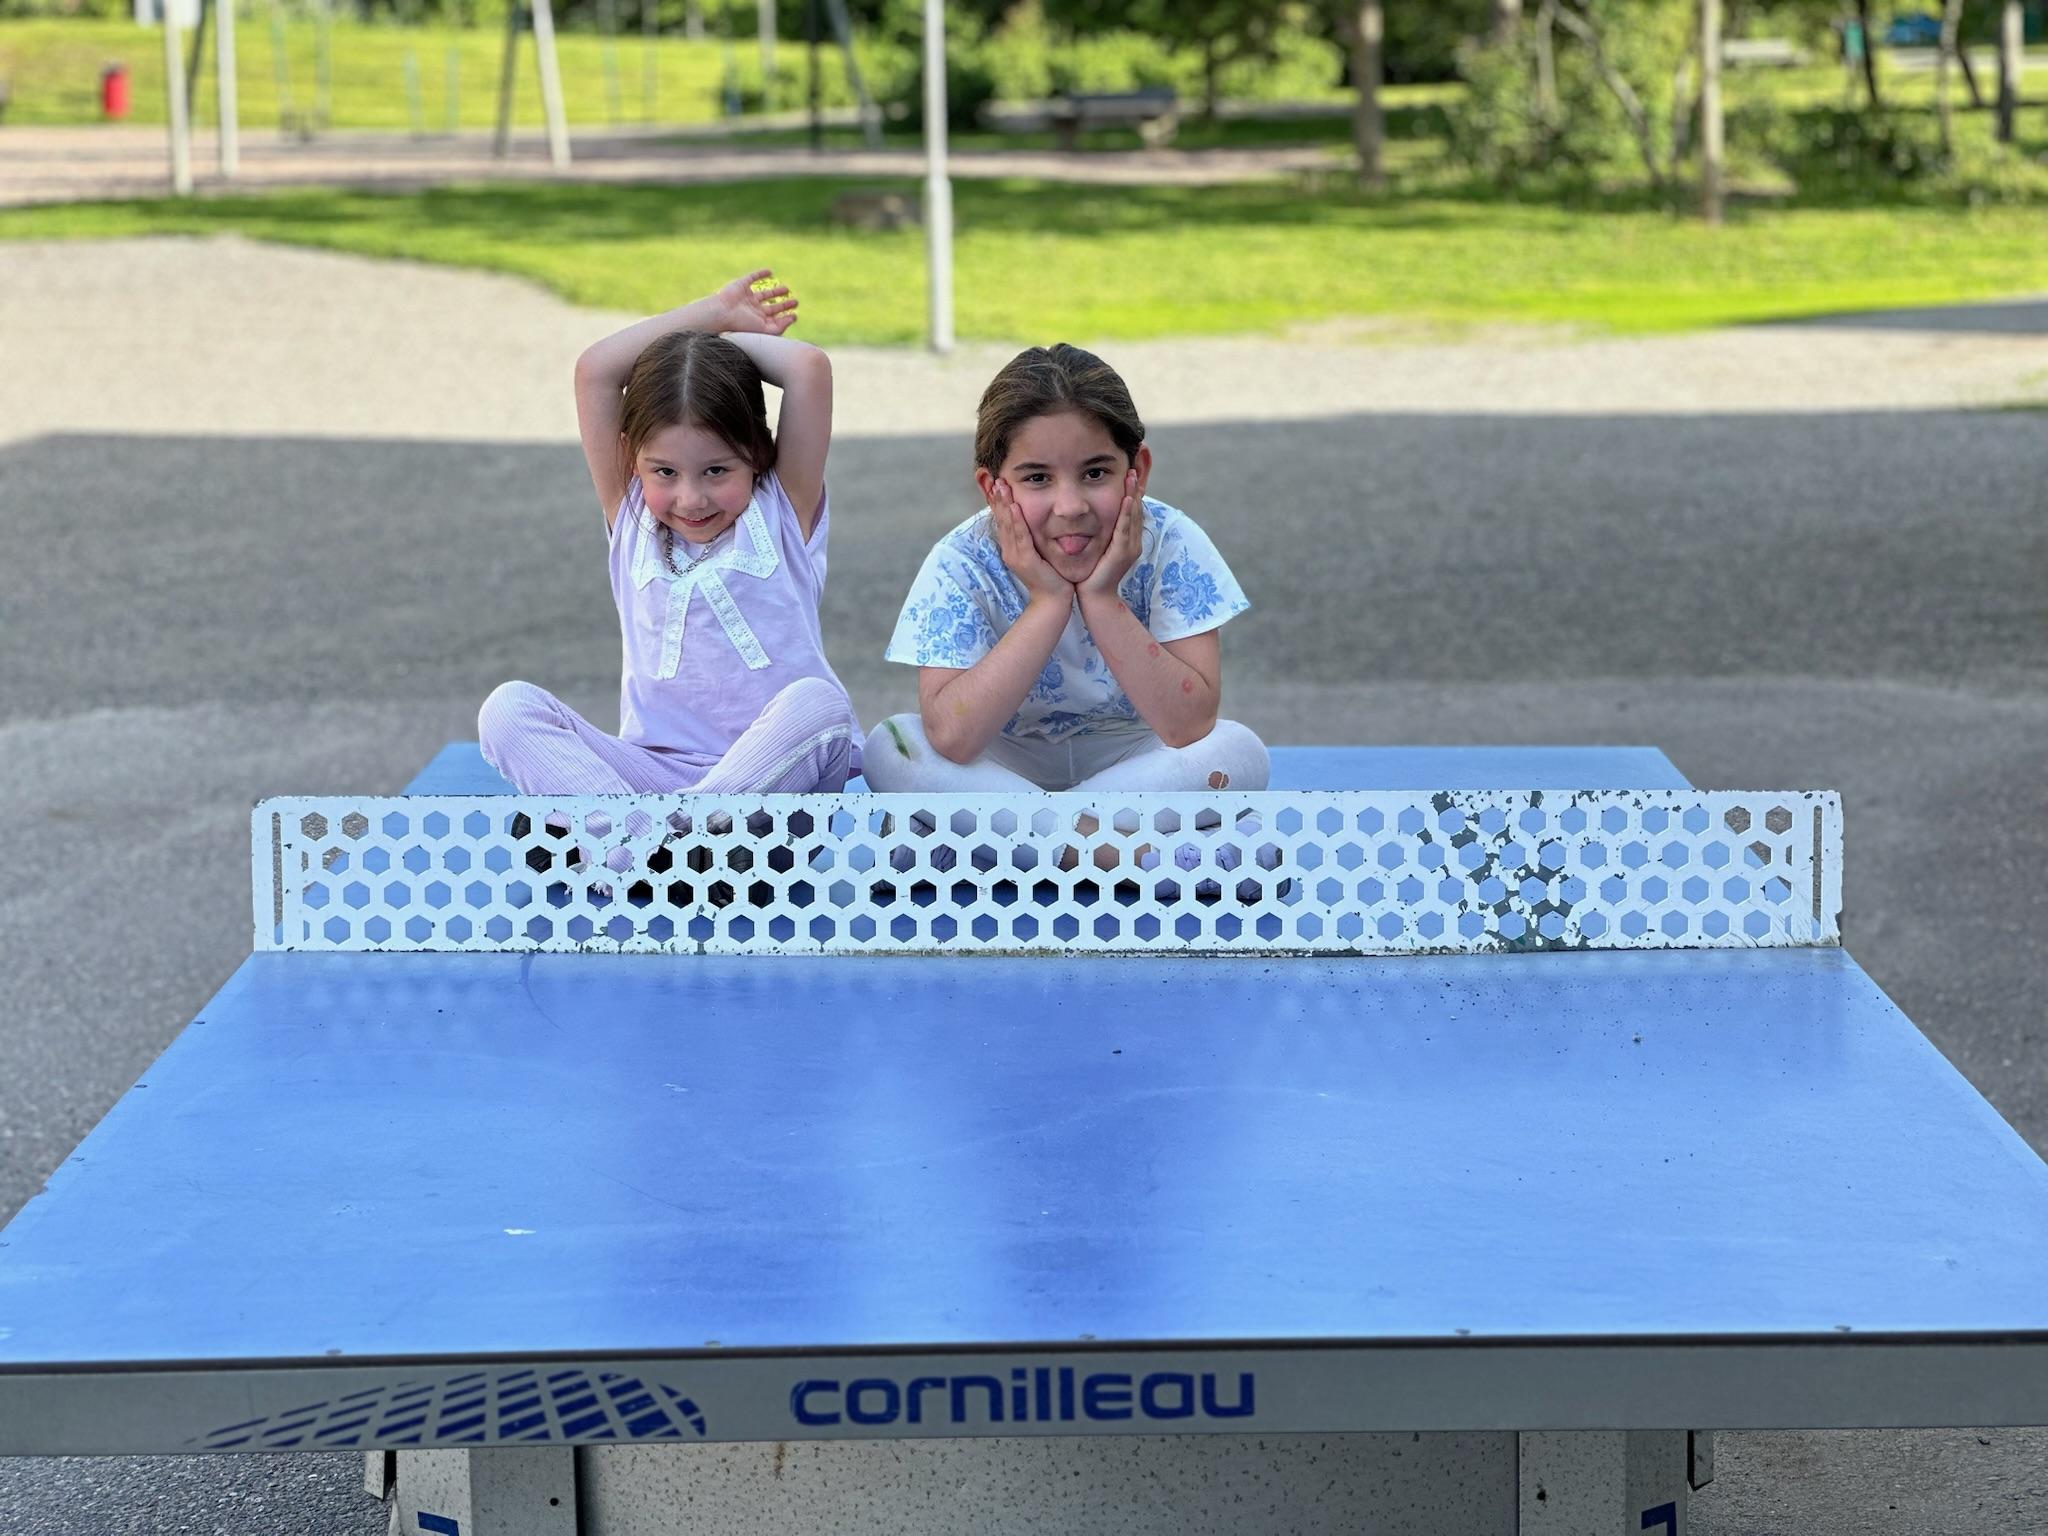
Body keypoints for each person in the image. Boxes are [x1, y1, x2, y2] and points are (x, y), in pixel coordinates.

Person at [478, 269, 861, 812]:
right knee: (507, 709)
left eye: (716, 471)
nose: (691, 498)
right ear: (631, 457)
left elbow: (807, 367)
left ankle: (635, 835)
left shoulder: (781, 510)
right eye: (665, 472)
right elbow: (595, 371)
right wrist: (713, 312)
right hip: (652, 775)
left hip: (775, 787)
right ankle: (645, 837)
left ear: (758, 451)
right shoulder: (630, 514)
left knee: (820, 705)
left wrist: (713, 346)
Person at [864, 342, 1267, 796]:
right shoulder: (961, 560)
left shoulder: (1171, 542)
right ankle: (1102, 836)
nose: (1071, 506)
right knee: (894, 747)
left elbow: (1188, 725)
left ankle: (1036, 834)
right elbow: (953, 738)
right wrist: (1048, 602)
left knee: (1237, 751)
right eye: (1037, 478)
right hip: (1003, 767)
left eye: (1095, 473)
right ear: (992, 488)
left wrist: (1101, 598)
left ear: (1138, 470)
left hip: (1138, 760)